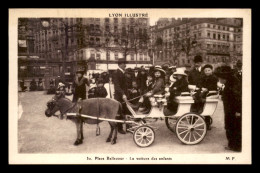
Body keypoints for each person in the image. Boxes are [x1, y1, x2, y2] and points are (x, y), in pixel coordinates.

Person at [215, 65, 242, 152]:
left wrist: (238, 111)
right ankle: (232, 145)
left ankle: (236, 147)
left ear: (224, 77)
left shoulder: (234, 83)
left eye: (219, 78)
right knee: (230, 127)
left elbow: (238, 98)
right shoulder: (230, 82)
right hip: (229, 110)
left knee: (235, 128)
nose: (219, 80)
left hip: (234, 111)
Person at [196, 64, 218, 129]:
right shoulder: (203, 77)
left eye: (209, 70)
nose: (207, 72)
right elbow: (199, 84)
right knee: (196, 95)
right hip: (204, 91)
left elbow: (213, 86)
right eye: (206, 71)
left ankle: (199, 110)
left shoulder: (214, 78)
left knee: (204, 104)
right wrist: (202, 88)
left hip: (210, 92)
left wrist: (206, 89)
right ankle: (196, 109)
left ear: (212, 71)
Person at [112, 58, 127, 134]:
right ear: (120, 64)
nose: (125, 65)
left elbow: (124, 85)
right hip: (119, 96)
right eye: (124, 64)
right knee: (120, 112)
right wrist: (123, 94)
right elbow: (117, 86)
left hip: (123, 95)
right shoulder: (116, 73)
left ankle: (127, 126)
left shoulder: (122, 72)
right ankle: (119, 128)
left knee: (125, 111)